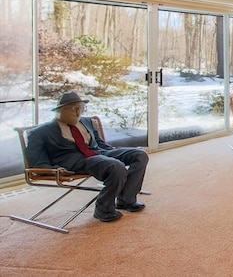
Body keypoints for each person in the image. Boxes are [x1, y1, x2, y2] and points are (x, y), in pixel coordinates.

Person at [26, 91, 149, 222]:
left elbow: (99, 143)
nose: (78, 113)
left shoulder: (86, 122)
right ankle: (103, 208)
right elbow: (37, 160)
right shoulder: (41, 132)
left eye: (81, 108)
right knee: (115, 166)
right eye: (74, 109)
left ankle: (126, 199)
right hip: (75, 160)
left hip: (98, 152)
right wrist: (54, 170)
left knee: (140, 155)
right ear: (61, 111)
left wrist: (114, 152)